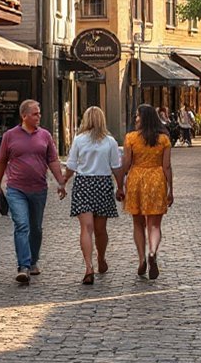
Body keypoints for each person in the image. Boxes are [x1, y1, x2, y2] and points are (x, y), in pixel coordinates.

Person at [0, 99, 67, 284]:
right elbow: (1, 161)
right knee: (21, 225)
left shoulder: (45, 136)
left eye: (39, 113)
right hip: (16, 188)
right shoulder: (9, 136)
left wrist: (60, 181)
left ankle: (33, 261)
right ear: (24, 115)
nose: (39, 116)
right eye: (35, 113)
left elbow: (53, 160)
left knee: (36, 228)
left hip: (39, 189)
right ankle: (23, 266)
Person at [61, 107, 122, 285]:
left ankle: (88, 267)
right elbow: (116, 167)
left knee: (86, 228)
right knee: (100, 229)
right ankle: (101, 259)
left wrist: (64, 182)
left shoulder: (79, 140)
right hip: (102, 184)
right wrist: (120, 187)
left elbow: (71, 165)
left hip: (83, 184)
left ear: (85, 120)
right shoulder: (110, 142)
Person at [118, 104, 173, 280]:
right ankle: (152, 251)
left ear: (144, 118)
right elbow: (167, 166)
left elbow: (126, 163)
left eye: (137, 116)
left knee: (138, 223)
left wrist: (120, 184)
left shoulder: (131, 138)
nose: (135, 119)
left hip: (136, 179)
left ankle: (141, 259)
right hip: (157, 179)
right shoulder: (164, 139)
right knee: (155, 224)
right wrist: (171, 189)